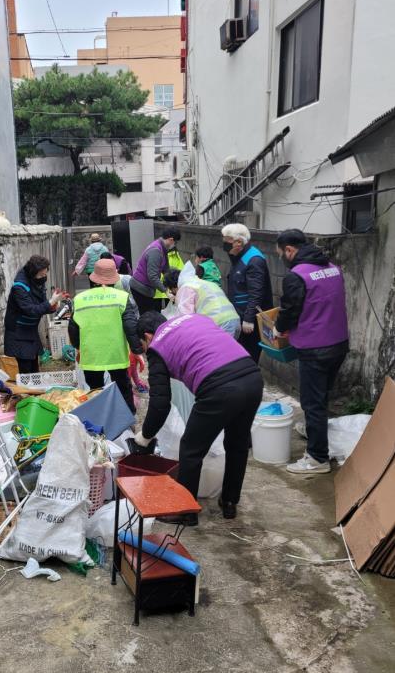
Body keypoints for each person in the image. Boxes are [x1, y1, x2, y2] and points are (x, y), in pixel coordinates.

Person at [132, 312, 263, 520]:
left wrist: (145, 436)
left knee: (191, 449)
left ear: (148, 336)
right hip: (252, 377)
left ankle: (186, 512)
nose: (146, 349)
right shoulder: (193, 318)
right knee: (237, 444)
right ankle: (229, 502)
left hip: (219, 387)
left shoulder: (157, 345)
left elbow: (159, 404)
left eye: (143, 345)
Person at [274, 229, 349, 475]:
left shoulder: (297, 276)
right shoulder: (333, 268)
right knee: (321, 396)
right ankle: (315, 433)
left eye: (281, 254)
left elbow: (289, 310)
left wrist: (279, 328)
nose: (282, 259)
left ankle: (317, 458)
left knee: (312, 403)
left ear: (289, 250)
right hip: (339, 343)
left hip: (315, 349)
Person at [69, 259, 143, 414]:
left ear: (94, 277)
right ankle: (127, 420)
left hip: (91, 355)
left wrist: (78, 347)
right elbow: (130, 326)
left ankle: (101, 421)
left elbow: (73, 329)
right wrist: (137, 350)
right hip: (115, 354)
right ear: (113, 279)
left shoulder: (79, 299)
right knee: (123, 388)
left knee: (96, 391)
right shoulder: (121, 297)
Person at [222, 222, 273, 362]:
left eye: (227, 241)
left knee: (248, 357)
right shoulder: (237, 256)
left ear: (239, 242)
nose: (224, 244)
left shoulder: (254, 260)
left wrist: (249, 319)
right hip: (239, 314)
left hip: (250, 320)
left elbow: (256, 292)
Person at [4, 255, 63, 374]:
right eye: (41, 275)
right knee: (25, 368)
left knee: (34, 364)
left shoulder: (37, 282)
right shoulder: (19, 287)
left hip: (31, 330)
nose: (44, 277)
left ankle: (33, 389)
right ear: (33, 273)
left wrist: (53, 306)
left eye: (45, 274)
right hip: (18, 332)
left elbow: (41, 305)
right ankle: (26, 391)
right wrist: (51, 302)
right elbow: (31, 310)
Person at [163, 268, 240, 338]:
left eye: (172, 291)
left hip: (219, 324)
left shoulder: (185, 287)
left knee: (216, 352)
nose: (173, 294)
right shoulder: (202, 282)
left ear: (174, 286)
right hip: (234, 320)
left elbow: (186, 318)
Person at [130, 227, 181, 315]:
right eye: (175, 242)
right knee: (148, 316)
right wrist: (166, 291)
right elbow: (152, 276)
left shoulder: (162, 248)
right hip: (140, 288)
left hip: (146, 288)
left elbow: (166, 270)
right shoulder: (156, 251)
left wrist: (174, 286)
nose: (175, 245)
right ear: (171, 240)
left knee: (149, 314)